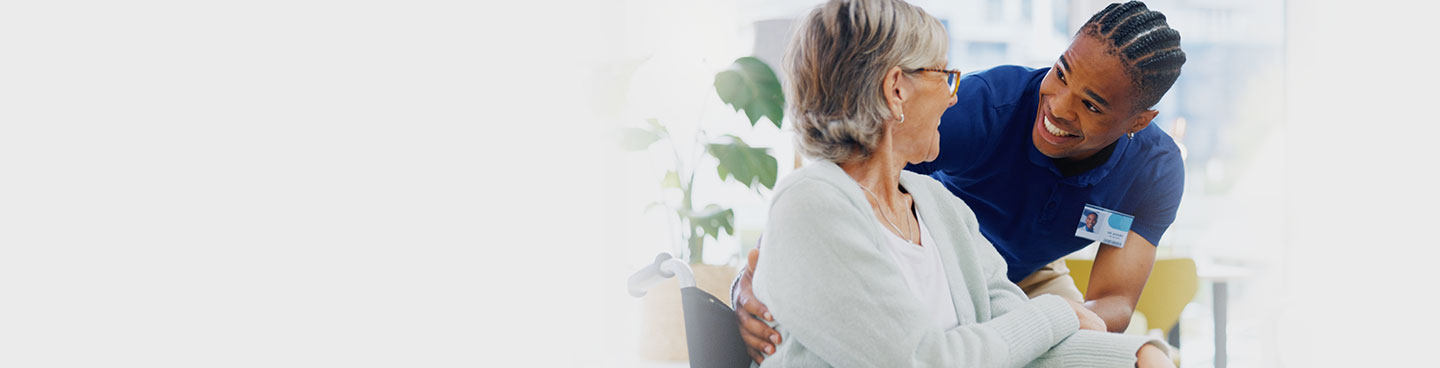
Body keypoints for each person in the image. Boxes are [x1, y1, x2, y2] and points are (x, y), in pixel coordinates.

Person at [736, 1, 1189, 362]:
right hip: (956, 264)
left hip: (1001, 268)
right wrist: (766, 271)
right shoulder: (979, 112)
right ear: (897, 90)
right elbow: (838, 185)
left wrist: (1141, 355)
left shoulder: (937, 207)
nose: (1058, 108)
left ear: (1138, 121)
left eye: (1091, 106)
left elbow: (1102, 305)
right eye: (1061, 73)